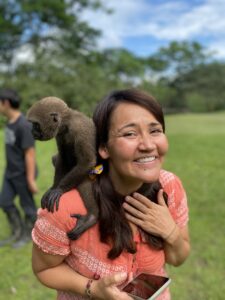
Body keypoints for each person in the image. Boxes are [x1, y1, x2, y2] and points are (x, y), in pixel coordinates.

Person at [32, 88, 190, 300]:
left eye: (155, 131)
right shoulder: (66, 207)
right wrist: (93, 288)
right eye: (130, 133)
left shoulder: (169, 186)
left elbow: (177, 258)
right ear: (104, 148)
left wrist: (170, 231)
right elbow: (44, 269)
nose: (148, 145)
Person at [0, 88, 38, 249]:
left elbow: (30, 154)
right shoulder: (10, 123)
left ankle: (29, 235)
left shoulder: (24, 125)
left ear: (6, 103)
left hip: (23, 174)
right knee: (5, 201)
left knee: (28, 206)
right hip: (10, 173)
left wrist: (30, 179)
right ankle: (17, 232)